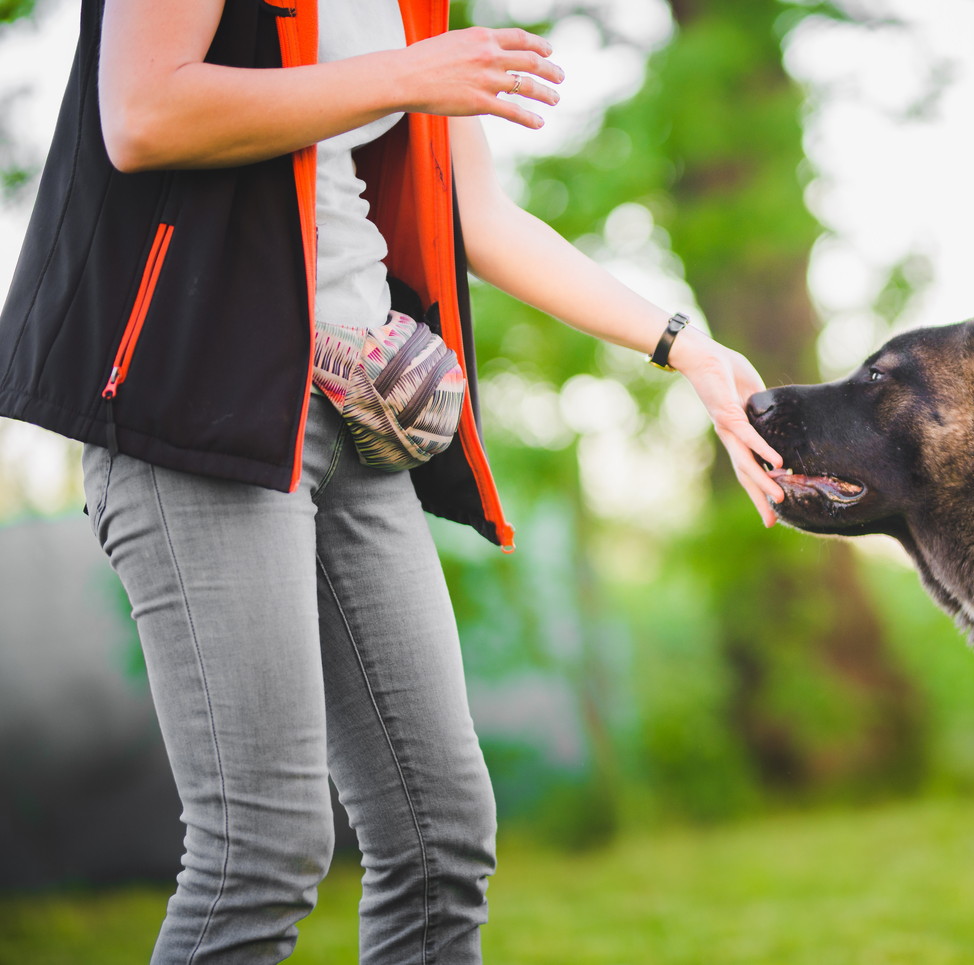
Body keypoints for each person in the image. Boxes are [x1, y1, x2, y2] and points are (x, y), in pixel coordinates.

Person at [0, 0, 785, 961]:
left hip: (357, 415)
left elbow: (479, 219)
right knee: (260, 851)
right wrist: (409, 76)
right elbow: (143, 113)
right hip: (198, 407)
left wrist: (682, 346)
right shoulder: (409, 53)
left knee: (439, 834)